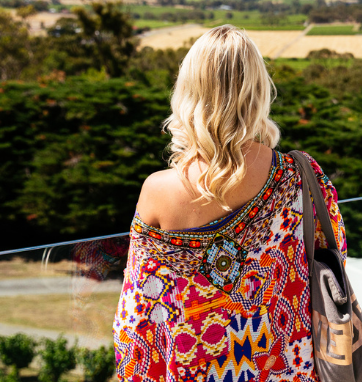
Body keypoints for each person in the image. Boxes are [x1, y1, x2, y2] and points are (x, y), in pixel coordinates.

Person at [112, 25, 346, 381]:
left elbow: (138, 324)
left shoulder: (158, 192)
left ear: (188, 92)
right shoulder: (301, 175)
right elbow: (336, 258)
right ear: (258, 91)